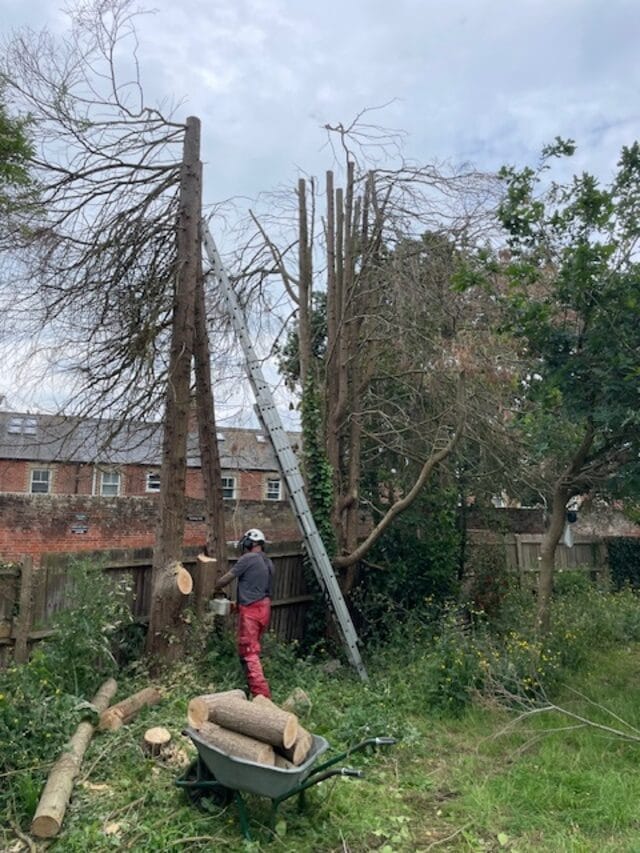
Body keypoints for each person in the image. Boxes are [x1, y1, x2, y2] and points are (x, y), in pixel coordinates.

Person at [214, 528, 274, 698]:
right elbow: (255, 588)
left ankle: (261, 696)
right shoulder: (268, 562)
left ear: (251, 543)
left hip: (252, 611)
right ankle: (249, 686)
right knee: (249, 648)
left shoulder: (248, 559)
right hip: (264, 607)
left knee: (249, 651)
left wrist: (215, 586)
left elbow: (227, 578)